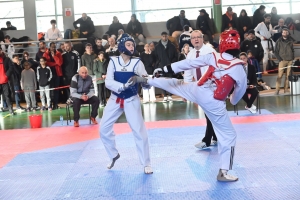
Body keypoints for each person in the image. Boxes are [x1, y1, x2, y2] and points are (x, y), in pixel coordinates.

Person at [133, 29, 247, 181]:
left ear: (221, 44)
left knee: (177, 84)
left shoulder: (213, 55)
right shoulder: (238, 67)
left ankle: (148, 80)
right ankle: (224, 172)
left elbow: (188, 63)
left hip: (198, 89)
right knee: (229, 135)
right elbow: (240, 92)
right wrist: (232, 100)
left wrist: (165, 69)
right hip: (214, 101)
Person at [99, 33, 153, 174]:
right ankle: (113, 154)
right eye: (128, 44)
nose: (132, 47)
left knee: (139, 131)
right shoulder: (113, 61)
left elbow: (146, 81)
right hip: (115, 98)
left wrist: (146, 83)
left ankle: (146, 163)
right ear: (122, 46)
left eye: (133, 45)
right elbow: (108, 81)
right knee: (103, 128)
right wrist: (122, 86)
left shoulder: (137, 62)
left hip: (131, 99)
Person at [179, 30, 217, 149]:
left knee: (210, 114)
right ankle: (216, 137)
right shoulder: (190, 54)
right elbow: (188, 74)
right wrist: (185, 92)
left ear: (202, 38)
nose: (196, 39)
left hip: (212, 87)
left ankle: (207, 140)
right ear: (191, 40)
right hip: (200, 88)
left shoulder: (210, 51)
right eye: (193, 38)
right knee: (209, 114)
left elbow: (217, 69)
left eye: (198, 37)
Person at [153, 32, 178, 102]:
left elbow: (175, 56)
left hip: (170, 66)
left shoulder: (172, 46)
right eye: (163, 36)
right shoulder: (157, 47)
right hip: (161, 66)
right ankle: (164, 95)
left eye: (166, 36)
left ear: (168, 37)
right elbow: (156, 56)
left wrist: (172, 62)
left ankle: (170, 95)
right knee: (162, 81)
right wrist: (158, 63)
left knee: (170, 80)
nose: (164, 38)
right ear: (161, 37)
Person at [274, 28, 295, 95]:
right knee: (279, 76)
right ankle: (277, 90)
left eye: (286, 32)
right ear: (282, 33)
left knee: (288, 76)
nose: (285, 33)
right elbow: (276, 51)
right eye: (284, 32)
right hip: (282, 60)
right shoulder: (278, 41)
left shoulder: (291, 41)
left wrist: (292, 58)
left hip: (290, 60)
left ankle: (286, 89)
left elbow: (292, 50)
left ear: (288, 33)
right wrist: (280, 59)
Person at [43, 42, 63, 110]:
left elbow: (60, 63)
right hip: (48, 74)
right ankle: (49, 104)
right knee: (50, 90)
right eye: (52, 47)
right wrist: (55, 63)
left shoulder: (58, 54)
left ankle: (56, 104)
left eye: (54, 47)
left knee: (56, 90)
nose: (53, 48)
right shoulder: (45, 54)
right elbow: (46, 63)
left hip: (57, 74)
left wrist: (54, 56)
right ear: (49, 47)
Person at [0, 47, 14, 115]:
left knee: (7, 96)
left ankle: (10, 109)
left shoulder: (7, 59)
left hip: (5, 81)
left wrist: (6, 75)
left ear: (1, 50)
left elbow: (11, 67)